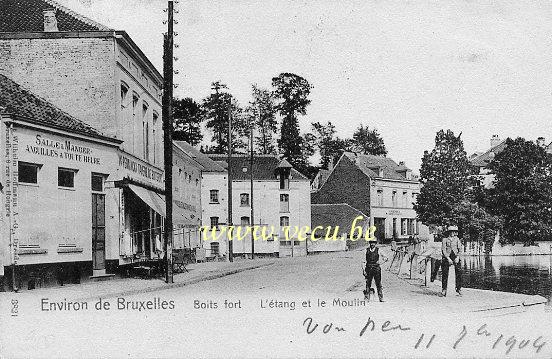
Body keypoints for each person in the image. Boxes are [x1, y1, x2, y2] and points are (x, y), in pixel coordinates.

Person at [441, 225, 462, 296]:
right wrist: (448, 258)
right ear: (449, 232)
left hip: (455, 256)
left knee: (459, 272)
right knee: (445, 272)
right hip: (447, 256)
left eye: (454, 232)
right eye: (451, 232)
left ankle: (458, 288)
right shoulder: (445, 239)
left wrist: (458, 257)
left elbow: (459, 249)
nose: (453, 233)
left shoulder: (457, 239)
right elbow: (443, 250)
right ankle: (444, 289)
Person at [363, 237, 386, 302]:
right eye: (371, 243)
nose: (372, 244)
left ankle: (381, 298)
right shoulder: (366, 250)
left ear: (375, 243)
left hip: (376, 269)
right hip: (368, 268)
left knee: (378, 283)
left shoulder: (379, 250)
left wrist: (380, 263)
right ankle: (367, 298)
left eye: (373, 243)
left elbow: (386, 258)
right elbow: (363, 261)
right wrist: (363, 270)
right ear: (369, 243)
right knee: (368, 283)